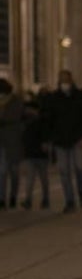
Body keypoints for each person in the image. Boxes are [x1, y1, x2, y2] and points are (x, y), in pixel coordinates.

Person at [44, 70, 82, 212]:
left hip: (77, 139)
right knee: (64, 171)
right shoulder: (54, 98)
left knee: (80, 168)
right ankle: (69, 200)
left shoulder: (81, 96)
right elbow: (48, 120)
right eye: (62, 80)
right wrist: (49, 138)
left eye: (66, 80)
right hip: (60, 140)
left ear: (71, 80)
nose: (64, 83)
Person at [19, 99, 51, 209]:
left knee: (43, 178)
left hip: (41, 154)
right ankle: (28, 200)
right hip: (29, 154)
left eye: (29, 109)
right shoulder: (24, 121)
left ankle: (45, 198)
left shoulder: (42, 121)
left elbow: (46, 135)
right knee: (30, 178)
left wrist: (45, 144)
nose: (27, 111)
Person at [0, 78, 23, 209]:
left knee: (14, 171)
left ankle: (13, 195)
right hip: (1, 141)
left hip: (13, 140)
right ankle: (1, 198)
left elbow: (14, 117)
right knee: (2, 171)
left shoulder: (15, 101)